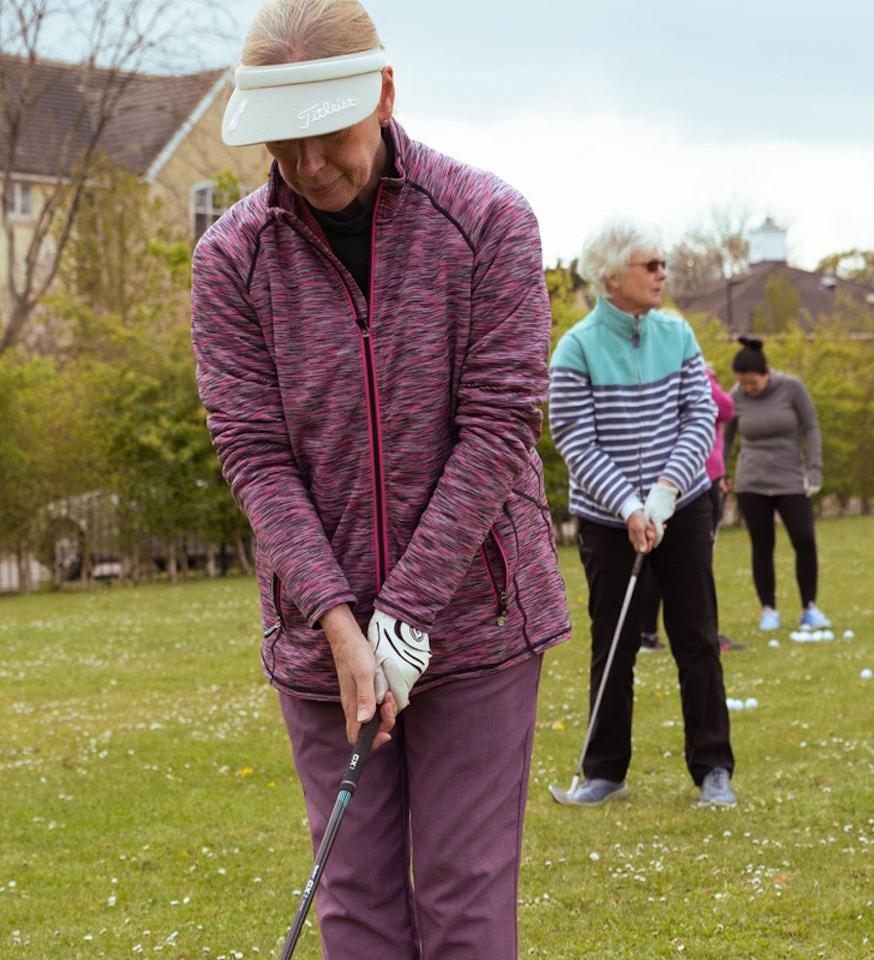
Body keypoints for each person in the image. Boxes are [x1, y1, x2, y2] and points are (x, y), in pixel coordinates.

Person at [189, 2, 571, 956]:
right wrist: (339, 621)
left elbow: (498, 426)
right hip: (320, 633)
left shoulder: (488, 222)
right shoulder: (232, 260)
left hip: (478, 620)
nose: (311, 168)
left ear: (385, 95)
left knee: (464, 903)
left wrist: (405, 613)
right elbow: (253, 451)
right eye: (285, 145)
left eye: (330, 139)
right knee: (354, 903)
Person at [548, 221, 737, 809]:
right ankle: (605, 772)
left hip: (679, 506)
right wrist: (629, 506)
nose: (662, 273)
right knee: (615, 642)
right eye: (649, 265)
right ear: (611, 277)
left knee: (697, 636)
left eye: (662, 264)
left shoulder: (678, 334)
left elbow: (699, 417)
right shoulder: (576, 348)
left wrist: (662, 493)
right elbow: (574, 439)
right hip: (607, 520)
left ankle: (713, 769)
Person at [723, 336, 832, 632]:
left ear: (766, 373)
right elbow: (727, 435)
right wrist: (720, 472)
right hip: (751, 481)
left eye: (752, 384)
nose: (747, 389)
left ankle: (809, 608)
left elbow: (811, 427)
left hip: (791, 479)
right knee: (762, 545)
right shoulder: (737, 396)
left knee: (804, 539)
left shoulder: (792, 388)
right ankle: (768, 609)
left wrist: (814, 470)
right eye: (742, 384)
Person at [637, 362, 743, 653]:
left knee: (659, 557)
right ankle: (702, 633)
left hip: (689, 479)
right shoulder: (695, 376)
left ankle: (647, 634)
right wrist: (706, 373)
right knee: (695, 564)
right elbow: (726, 408)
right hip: (696, 481)